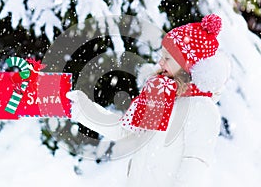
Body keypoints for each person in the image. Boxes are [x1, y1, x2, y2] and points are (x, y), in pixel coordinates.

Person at [66, 14, 230, 187]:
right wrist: (83, 109)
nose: (160, 62)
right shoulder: (159, 96)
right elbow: (124, 130)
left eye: (167, 58)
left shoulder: (201, 108)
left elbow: (194, 166)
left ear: (187, 64)